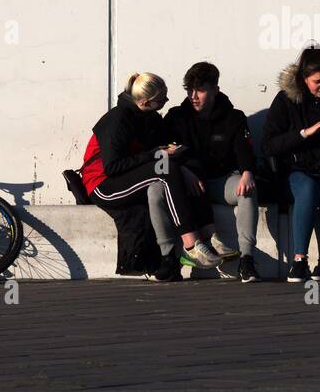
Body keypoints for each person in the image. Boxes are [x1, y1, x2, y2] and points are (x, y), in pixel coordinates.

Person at [82, 72, 222, 280]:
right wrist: (157, 155)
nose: (166, 101)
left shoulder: (152, 118)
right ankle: (192, 244)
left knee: (178, 168)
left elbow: (162, 153)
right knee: (165, 170)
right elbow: (112, 166)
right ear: (147, 102)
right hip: (103, 185)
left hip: (128, 176)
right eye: (162, 99)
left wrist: (181, 167)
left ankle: (200, 242)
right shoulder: (117, 120)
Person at [261, 45, 320, 282]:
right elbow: (269, 145)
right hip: (298, 167)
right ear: (304, 80)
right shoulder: (286, 100)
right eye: (317, 81)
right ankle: (299, 260)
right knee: (307, 190)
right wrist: (305, 133)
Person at [164, 62, 263, 283]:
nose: (193, 96)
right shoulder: (176, 117)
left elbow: (244, 151)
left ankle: (247, 259)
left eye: (199, 89)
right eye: (189, 90)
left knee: (247, 189)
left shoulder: (234, 117)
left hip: (219, 182)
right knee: (162, 189)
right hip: (187, 186)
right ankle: (170, 260)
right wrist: (183, 170)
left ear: (215, 89)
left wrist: (247, 172)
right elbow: (163, 153)